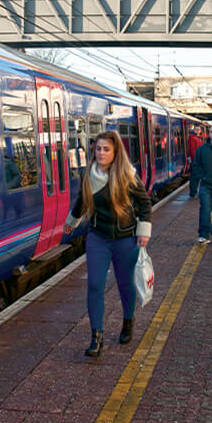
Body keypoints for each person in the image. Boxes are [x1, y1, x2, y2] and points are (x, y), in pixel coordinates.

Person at [63, 130, 151, 358]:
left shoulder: (126, 174)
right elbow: (82, 200)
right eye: (98, 148)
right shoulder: (88, 174)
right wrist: (71, 222)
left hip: (125, 238)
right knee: (94, 285)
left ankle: (128, 322)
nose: (101, 153)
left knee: (125, 284)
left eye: (106, 149)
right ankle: (97, 337)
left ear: (115, 152)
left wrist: (144, 231)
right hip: (98, 237)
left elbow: (144, 203)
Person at [187, 125, 204, 197]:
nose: (197, 130)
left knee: (198, 177)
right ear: (194, 130)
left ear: (200, 131)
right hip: (195, 161)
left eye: (198, 129)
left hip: (200, 161)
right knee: (194, 178)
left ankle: (195, 192)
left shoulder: (199, 138)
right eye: (196, 129)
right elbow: (192, 149)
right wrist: (195, 160)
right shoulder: (192, 138)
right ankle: (193, 193)